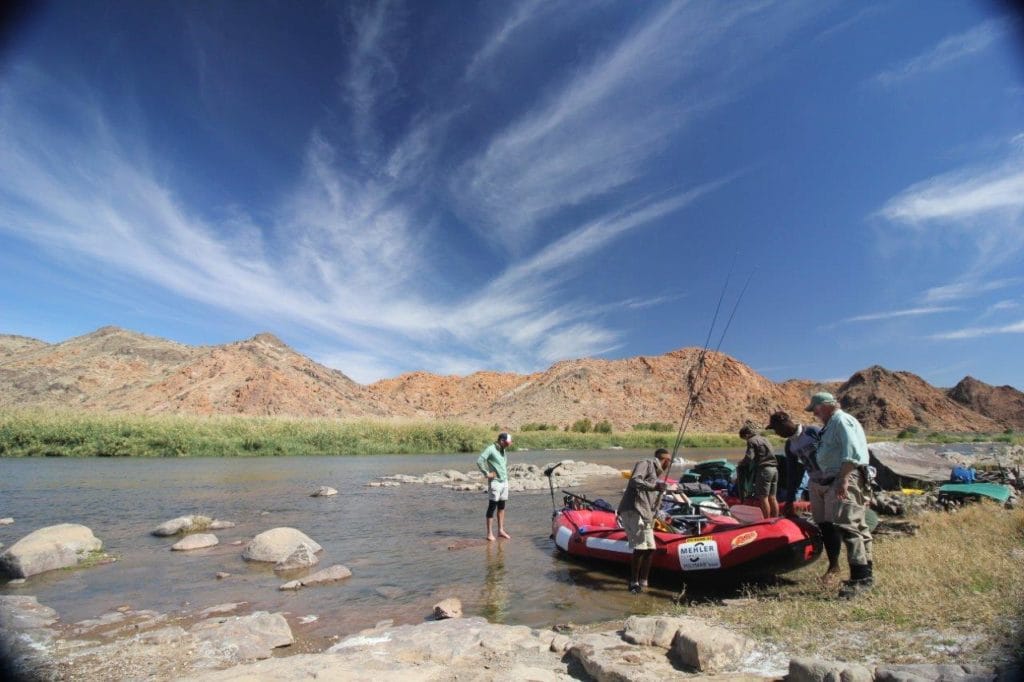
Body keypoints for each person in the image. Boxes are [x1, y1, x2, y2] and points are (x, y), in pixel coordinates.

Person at [806, 392, 875, 598]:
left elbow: (852, 452)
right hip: (843, 475)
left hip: (846, 475)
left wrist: (844, 478)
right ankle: (865, 574)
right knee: (858, 526)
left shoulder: (842, 420)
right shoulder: (832, 424)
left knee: (848, 526)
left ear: (826, 406)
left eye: (816, 410)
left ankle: (860, 579)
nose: (815, 414)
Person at [765, 410, 840, 582]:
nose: (776, 433)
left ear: (784, 422)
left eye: (775, 428)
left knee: (833, 523)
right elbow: (792, 474)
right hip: (815, 484)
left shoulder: (812, 432)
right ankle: (833, 565)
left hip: (832, 481)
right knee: (824, 525)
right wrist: (790, 500)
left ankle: (835, 566)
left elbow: (834, 449)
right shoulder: (789, 446)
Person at [616, 448, 675, 594]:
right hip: (633, 509)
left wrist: (659, 497)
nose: (669, 465)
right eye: (670, 462)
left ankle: (644, 581)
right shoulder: (646, 463)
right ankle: (633, 582)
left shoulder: (657, 476)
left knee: (650, 549)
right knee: (640, 547)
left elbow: (653, 501)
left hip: (646, 513)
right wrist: (655, 486)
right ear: (665, 461)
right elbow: (635, 480)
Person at [477, 432, 513, 541]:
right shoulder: (491, 449)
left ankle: (500, 530)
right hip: (495, 483)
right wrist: (486, 473)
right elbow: (480, 461)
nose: (508, 445)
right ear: (501, 441)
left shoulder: (503, 449)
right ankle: (489, 534)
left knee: (502, 507)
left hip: (504, 482)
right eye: (506, 443)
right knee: (492, 507)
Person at [739, 423, 779, 518]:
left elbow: (749, 457)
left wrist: (741, 463)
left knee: (763, 497)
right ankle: (775, 519)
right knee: (772, 497)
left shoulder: (751, 441)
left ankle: (766, 521)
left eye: (744, 438)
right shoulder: (764, 439)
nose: (746, 440)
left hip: (764, 471)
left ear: (746, 435)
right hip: (774, 470)